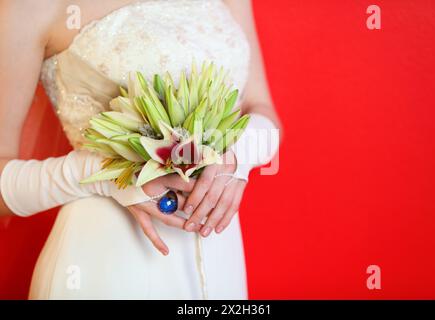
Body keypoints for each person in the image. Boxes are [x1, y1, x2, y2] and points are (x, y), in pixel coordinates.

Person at [0, 0, 280, 299]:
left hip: (219, 252)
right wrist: (106, 173)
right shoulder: (29, 7)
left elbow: (262, 109)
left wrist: (237, 155)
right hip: (105, 262)